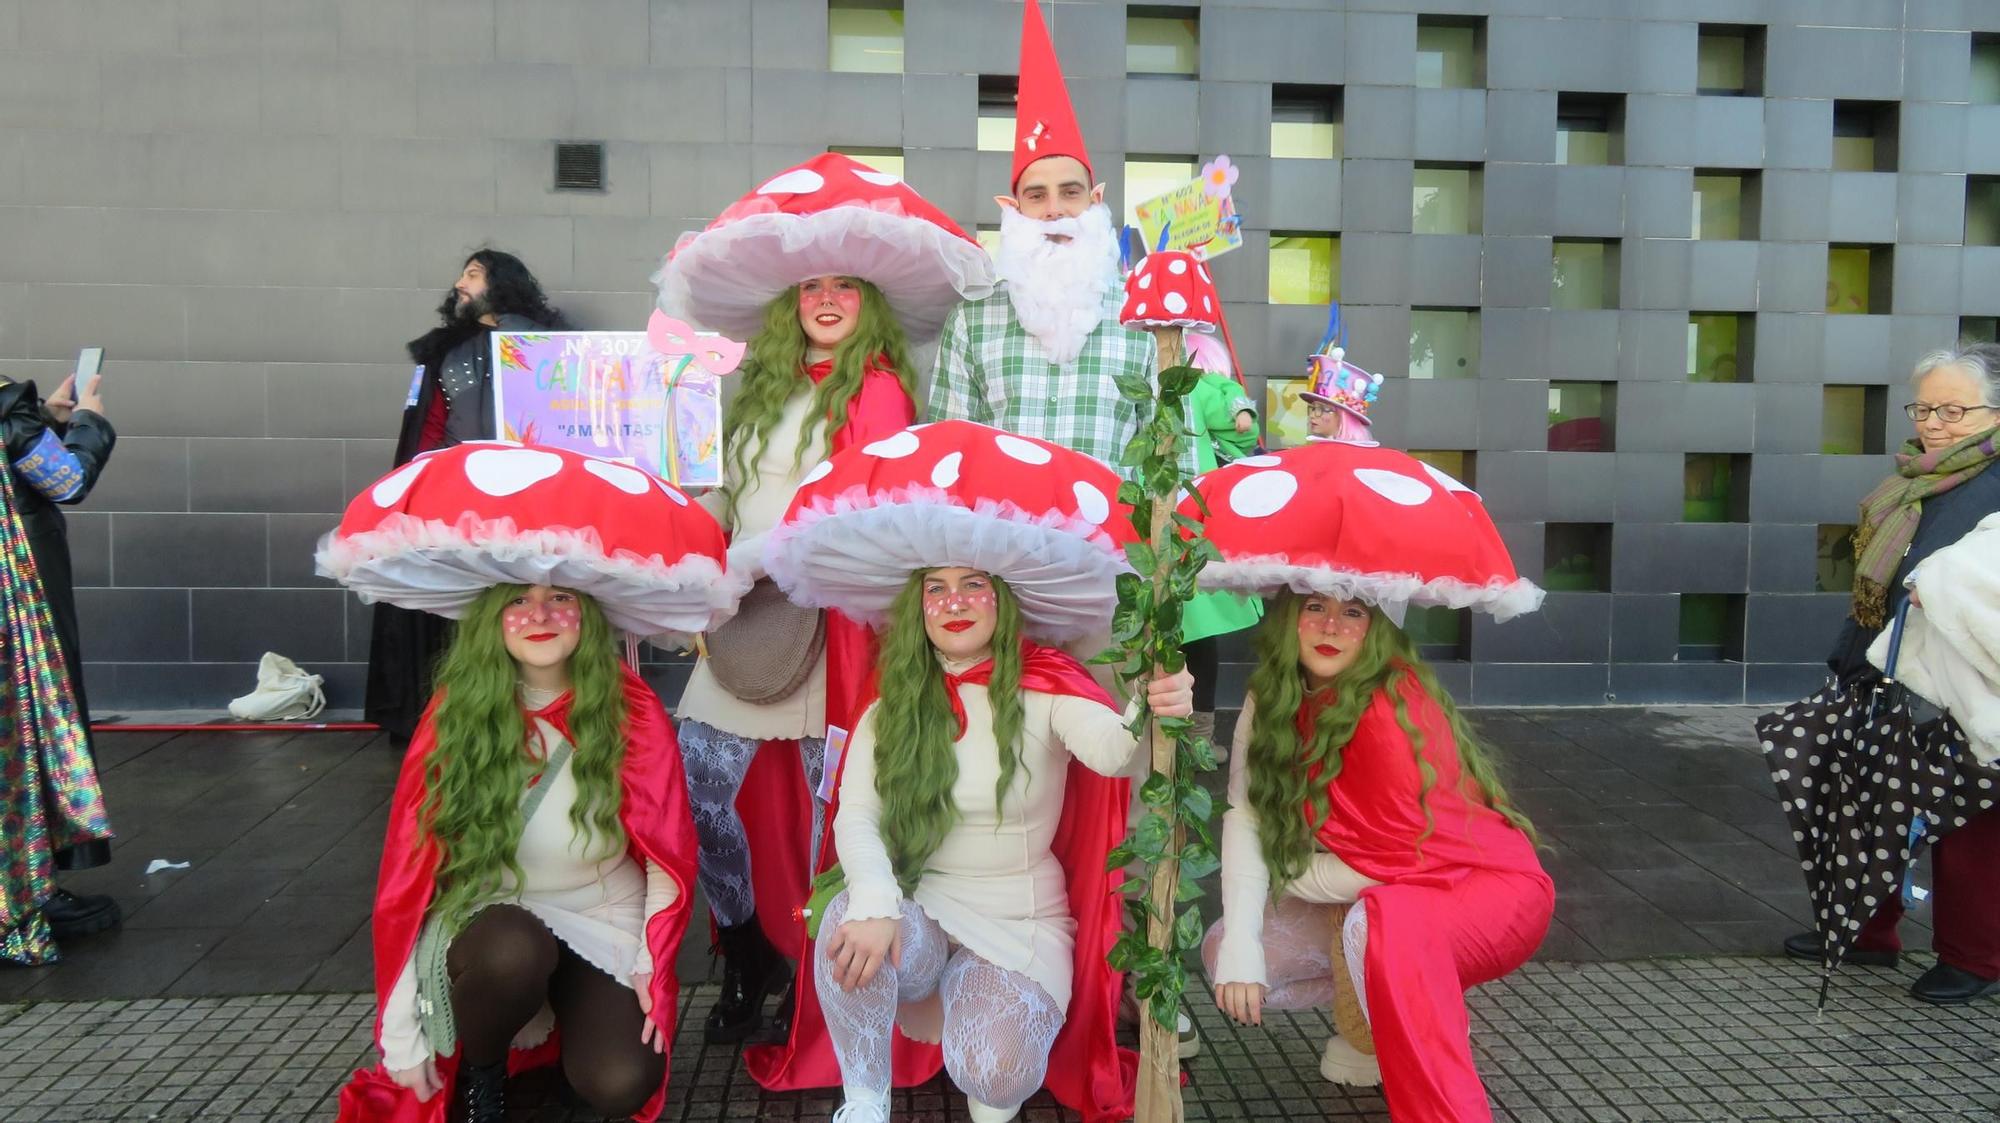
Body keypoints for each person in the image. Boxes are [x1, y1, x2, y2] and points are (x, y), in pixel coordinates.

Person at [818, 567, 1193, 1123]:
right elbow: (858, 814)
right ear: (917, 608)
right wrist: (876, 899)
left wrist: (1152, 698)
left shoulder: (1045, 686)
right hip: (921, 912)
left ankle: (982, 1009)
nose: (955, 603)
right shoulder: (890, 701)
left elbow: (1114, 751)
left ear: (1004, 599)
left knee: (996, 1077)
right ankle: (865, 1105)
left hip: (1020, 922)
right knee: (848, 916)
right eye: (936, 589)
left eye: (973, 584)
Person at [336, 584, 699, 1123]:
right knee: (513, 951)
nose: (540, 616)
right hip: (492, 919)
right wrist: (399, 1030)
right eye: (517, 602)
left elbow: (666, 850)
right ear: (490, 617)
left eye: (559, 598)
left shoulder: (632, 708)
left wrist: (652, 956)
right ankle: (484, 1072)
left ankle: (566, 1032)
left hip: (602, 912)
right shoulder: (456, 712)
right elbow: (406, 879)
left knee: (621, 1082)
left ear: (587, 614)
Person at [675, 272, 917, 1042]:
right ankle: (747, 950)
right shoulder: (758, 386)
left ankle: (822, 983)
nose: (829, 298)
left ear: (869, 302)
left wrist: (750, 554)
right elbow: (726, 491)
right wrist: (682, 542)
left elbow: (861, 507)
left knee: (835, 810)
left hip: (831, 627)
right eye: (812, 285)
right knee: (698, 786)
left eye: (848, 285)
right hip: (743, 617)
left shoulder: (876, 391)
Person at [1204, 592, 1552, 1121]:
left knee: (1378, 925)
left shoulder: (1394, 706)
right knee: (1224, 948)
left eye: (1353, 613)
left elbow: (1388, 861)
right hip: (1377, 887)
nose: (1330, 626)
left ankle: (1418, 1037)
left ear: (1378, 628)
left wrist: (1289, 870)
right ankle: (1395, 1020)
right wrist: (1243, 946)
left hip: (1485, 888)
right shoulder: (1274, 693)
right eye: (1315, 606)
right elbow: (1246, 813)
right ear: (1288, 618)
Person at [1782, 341, 2000, 1005]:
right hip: (1883, 663)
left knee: (1970, 825)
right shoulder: (1914, 479)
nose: (1933, 422)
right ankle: (1866, 931)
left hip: (1961, 680)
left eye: (1954, 409)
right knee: (1867, 802)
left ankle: (1976, 956)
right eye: (1924, 407)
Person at [926, 0, 1190, 477]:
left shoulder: (1149, 321)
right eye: (1036, 196)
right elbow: (946, 462)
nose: (1053, 210)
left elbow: (1173, 464)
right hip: (997, 549)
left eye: (1070, 193)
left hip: (1112, 549)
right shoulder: (972, 321)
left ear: (1097, 201)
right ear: (1012, 211)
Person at [365, 250, 566, 752]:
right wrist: (419, 493)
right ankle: (452, 720)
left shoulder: (543, 345)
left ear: (500, 283)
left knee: (516, 605)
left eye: (472, 275)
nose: (459, 283)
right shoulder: (443, 351)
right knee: (452, 612)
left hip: (529, 503)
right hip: (453, 503)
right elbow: (428, 432)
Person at [0, 369, 120, 949]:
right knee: (26, 731)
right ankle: (25, 891)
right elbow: (65, 479)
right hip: (16, 604)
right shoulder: (5, 411)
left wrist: (46, 420)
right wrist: (91, 422)